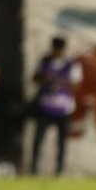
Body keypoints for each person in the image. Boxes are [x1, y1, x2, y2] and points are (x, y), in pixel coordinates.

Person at [30, 36, 82, 175]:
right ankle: (33, 169)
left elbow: (76, 85)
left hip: (63, 109)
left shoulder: (71, 64)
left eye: (59, 50)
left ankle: (59, 170)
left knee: (61, 142)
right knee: (38, 139)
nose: (57, 52)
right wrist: (44, 78)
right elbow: (34, 78)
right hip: (45, 107)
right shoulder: (44, 61)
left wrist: (59, 80)